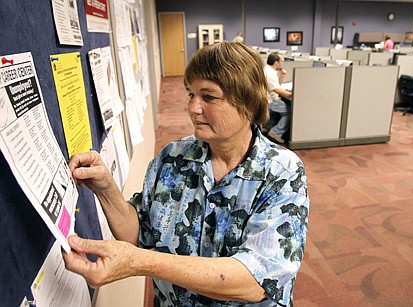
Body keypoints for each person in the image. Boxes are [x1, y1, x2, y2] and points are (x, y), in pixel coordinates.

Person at [62, 42, 310, 307]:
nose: (193, 108)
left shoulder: (282, 172)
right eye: (191, 94)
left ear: (247, 102)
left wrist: (139, 263)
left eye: (208, 97)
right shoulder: (172, 158)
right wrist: (106, 189)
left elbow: (256, 281)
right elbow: (138, 232)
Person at [264, 52, 293, 144]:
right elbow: (277, 90)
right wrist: (292, 95)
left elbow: (276, 86)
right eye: (281, 61)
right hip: (270, 101)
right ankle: (275, 133)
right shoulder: (269, 73)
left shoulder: (269, 70)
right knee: (290, 111)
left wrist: (282, 76)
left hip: (270, 99)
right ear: (276, 62)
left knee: (285, 106)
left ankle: (271, 127)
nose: (282, 63)